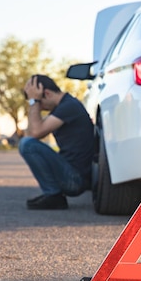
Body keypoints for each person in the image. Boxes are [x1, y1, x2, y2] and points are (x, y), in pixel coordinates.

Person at [19, 74, 94, 210]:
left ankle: (53, 195)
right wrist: (34, 101)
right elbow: (31, 134)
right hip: (72, 175)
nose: (40, 108)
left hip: (76, 179)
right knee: (27, 143)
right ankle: (52, 194)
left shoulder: (69, 106)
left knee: (27, 145)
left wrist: (33, 102)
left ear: (46, 93)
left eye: (39, 103)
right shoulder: (63, 106)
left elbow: (35, 134)